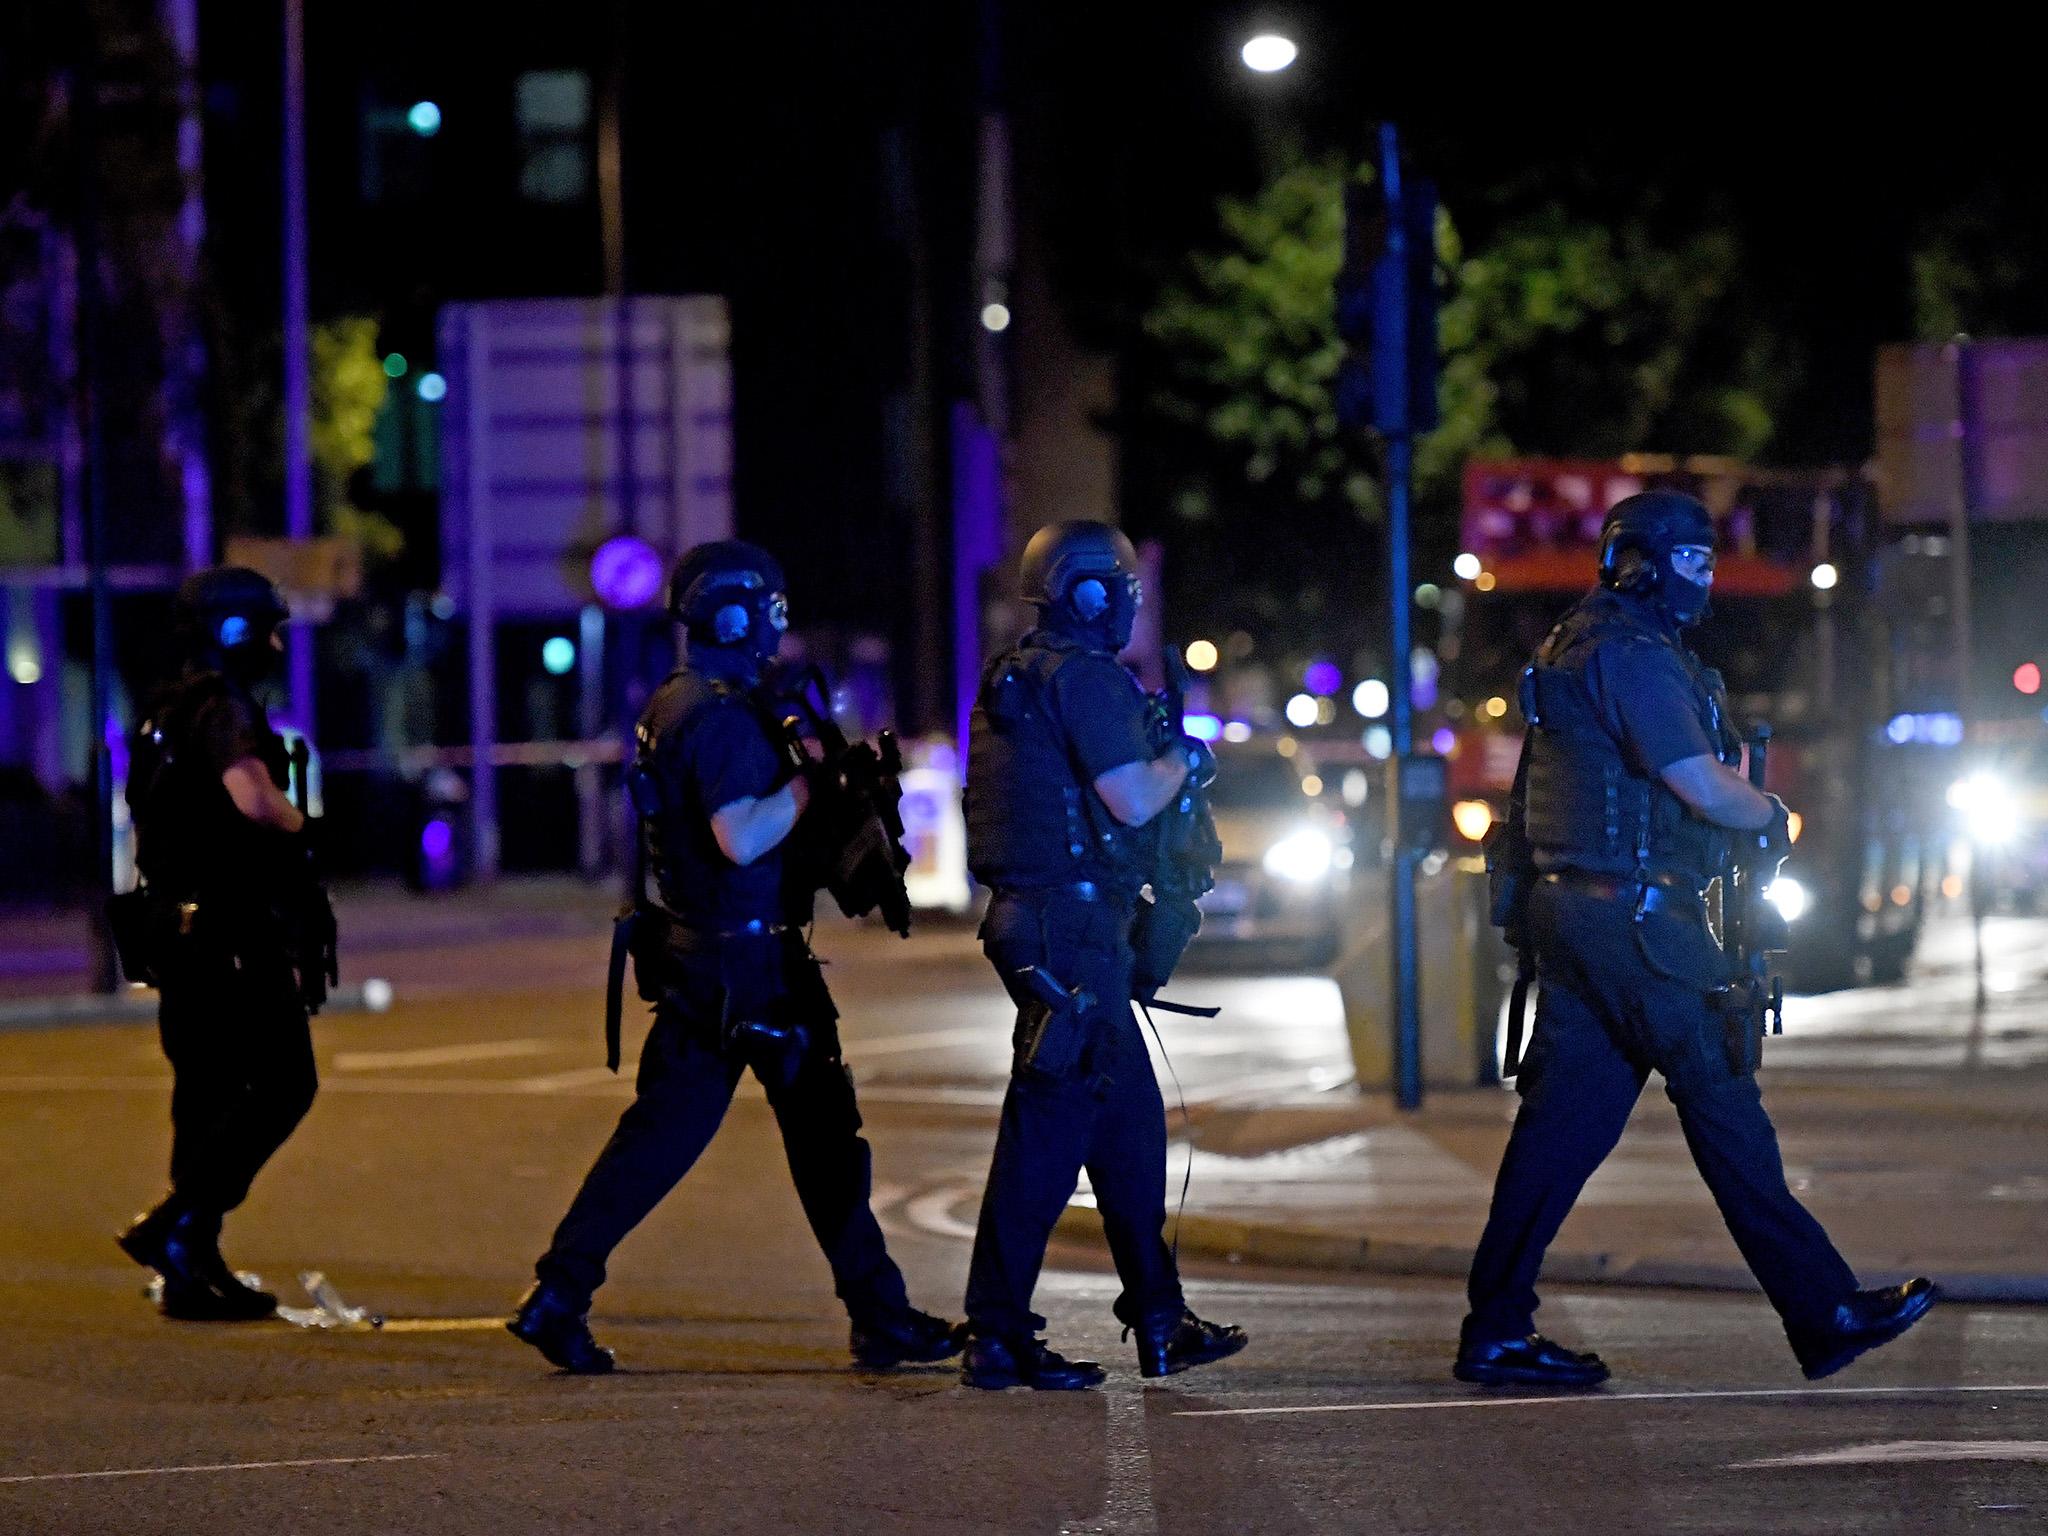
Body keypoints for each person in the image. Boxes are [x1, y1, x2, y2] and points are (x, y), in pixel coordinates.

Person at [1460, 491, 1935, 1387]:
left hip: (1584, 915)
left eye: (1709, 563)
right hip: (1634, 920)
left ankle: (1495, 1328)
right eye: (1690, 562)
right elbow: (1699, 784)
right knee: (1721, 1093)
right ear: (1639, 562)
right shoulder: (1631, 654)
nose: (1703, 579)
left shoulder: (1584, 639)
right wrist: (1773, 816)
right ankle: (1824, 1309)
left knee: (1560, 1132)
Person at [509, 540, 963, 1375]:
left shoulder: (677, 702)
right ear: (732, 613)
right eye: (769, 608)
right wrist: (812, 783)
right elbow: (740, 836)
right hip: (751, 969)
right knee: (826, 1143)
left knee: (657, 1144)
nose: (777, 625)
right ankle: (881, 1318)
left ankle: (559, 1293)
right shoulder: (718, 715)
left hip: (703, 960)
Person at [959, 520, 1246, 1390]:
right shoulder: (1084, 678)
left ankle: (1160, 1319)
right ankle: (998, 1335)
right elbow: (1128, 799)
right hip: (1070, 934)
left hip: (1044, 927)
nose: (1128, 603)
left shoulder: (1018, 673)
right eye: (1121, 587)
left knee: (1125, 1128)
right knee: (1043, 1139)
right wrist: (1185, 759)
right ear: (1091, 592)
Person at [117, 568, 329, 1321]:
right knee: (283, 1083)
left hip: (173, 930)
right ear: (234, 630)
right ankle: (176, 1225)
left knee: (203, 1094)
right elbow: (257, 804)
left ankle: (189, 1265)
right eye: (268, 628)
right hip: (230, 930)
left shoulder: (166, 709)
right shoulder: (222, 710)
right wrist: (315, 832)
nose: (276, 642)